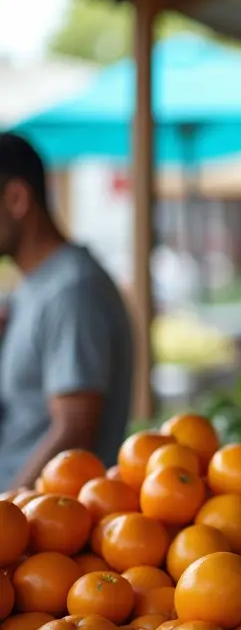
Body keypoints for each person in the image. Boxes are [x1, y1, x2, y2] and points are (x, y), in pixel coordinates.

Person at [0, 133, 134, 490]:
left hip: (34, 530)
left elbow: (73, 433)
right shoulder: (32, 286)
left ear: (16, 199)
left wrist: (8, 512)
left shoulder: (72, 292)